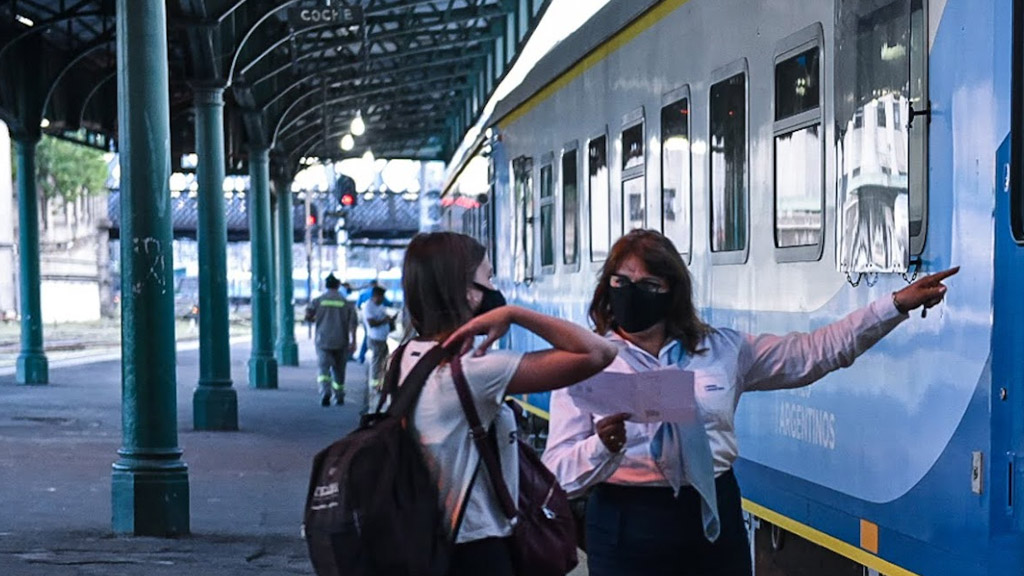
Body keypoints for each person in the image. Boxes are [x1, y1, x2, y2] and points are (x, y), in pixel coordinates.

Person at [540, 229, 958, 576]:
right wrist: (602, 446)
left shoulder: (721, 351)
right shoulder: (585, 365)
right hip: (627, 523)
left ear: (671, 292)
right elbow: (556, 473)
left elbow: (815, 352)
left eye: (648, 285)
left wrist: (894, 305)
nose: (631, 293)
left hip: (712, 516)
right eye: (621, 282)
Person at [394, 232, 618, 576]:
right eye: (489, 278)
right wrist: (515, 313)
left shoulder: (402, 359)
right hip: (475, 548)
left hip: (419, 540)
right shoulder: (476, 372)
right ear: (467, 292)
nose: (494, 288)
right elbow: (598, 352)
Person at [305, 273, 358, 406]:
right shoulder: (346, 303)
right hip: (341, 340)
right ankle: (339, 395)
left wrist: (314, 319)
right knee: (339, 370)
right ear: (338, 285)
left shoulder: (318, 300)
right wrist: (353, 341)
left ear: (326, 285)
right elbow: (353, 324)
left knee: (323, 369)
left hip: (323, 340)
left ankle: (325, 392)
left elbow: (308, 316)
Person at [362, 285, 395, 389]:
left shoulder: (380, 306)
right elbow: (371, 323)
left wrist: (389, 319)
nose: (382, 299)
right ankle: (375, 384)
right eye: (381, 297)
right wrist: (385, 320)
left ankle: (382, 382)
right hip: (375, 338)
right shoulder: (368, 306)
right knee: (376, 362)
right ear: (375, 296)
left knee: (384, 361)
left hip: (382, 338)